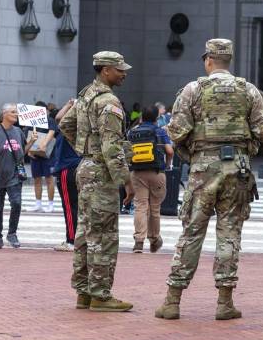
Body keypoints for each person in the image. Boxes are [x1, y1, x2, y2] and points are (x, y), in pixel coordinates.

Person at [154, 39, 263, 321]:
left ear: (208, 60)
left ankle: (173, 301)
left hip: (203, 168)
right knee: (230, 233)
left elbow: (176, 131)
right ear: (228, 60)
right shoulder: (249, 90)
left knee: (192, 232)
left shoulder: (193, 90)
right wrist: (249, 144)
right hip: (239, 170)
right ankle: (224, 302)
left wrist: (191, 153)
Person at [58, 51, 135, 312]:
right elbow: (112, 146)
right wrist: (126, 180)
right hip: (102, 171)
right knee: (104, 235)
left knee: (85, 232)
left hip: (86, 167)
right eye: (119, 69)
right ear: (105, 70)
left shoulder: (85, 95)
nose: (123, 73)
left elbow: (65, 124)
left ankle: (84, 292)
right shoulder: (108, 101)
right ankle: (101, 294)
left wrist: (84, 149)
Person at [127, 105, 173, 253]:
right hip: (156, 172)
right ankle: (154, 239)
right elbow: (169, 151)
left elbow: (127, 153)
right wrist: (167, 164)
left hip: (137, 173)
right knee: (154, 208)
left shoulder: (132, 132)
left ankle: (138, 241)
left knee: (140, 206)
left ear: (141, 117)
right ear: (156, 118)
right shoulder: (160, 131)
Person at [0, 105, 27, 247]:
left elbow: (21, 152)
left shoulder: (19, 131)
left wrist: (31, 141)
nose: (16, 114)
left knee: (16, 203)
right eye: (13, 112)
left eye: (17, 112)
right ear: (4, 114)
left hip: (14, 174)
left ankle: (12, 234)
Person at [51, 99, 82, 251]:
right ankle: (81, 239)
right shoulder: (85, 126)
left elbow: (58, 118)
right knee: (81, 206)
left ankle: (71, 240)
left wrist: (70, 104)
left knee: (69, 206)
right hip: (80, 168)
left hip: (67, 168)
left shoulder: (68, 126)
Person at [26, 111, 57, 213]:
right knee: (37, 179)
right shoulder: (32, 122)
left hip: (47, 155)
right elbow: (28, 136)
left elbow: (52, 132)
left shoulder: (49, 120)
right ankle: (38, 203)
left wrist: (44, 143)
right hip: (35, 155)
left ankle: (51, 204)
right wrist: (29, 149)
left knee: (49, 179)